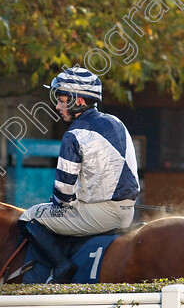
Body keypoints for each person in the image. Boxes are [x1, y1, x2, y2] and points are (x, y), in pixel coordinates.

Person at [18, 67, 140, 283]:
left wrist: (56, 202)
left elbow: (63, 196)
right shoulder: (116, 122)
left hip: (99, 215)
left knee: (28, 216)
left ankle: (61, 265)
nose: (57, 106)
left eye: (62, 100)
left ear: (79, 101)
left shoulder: (74, 134)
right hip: (127, 211)